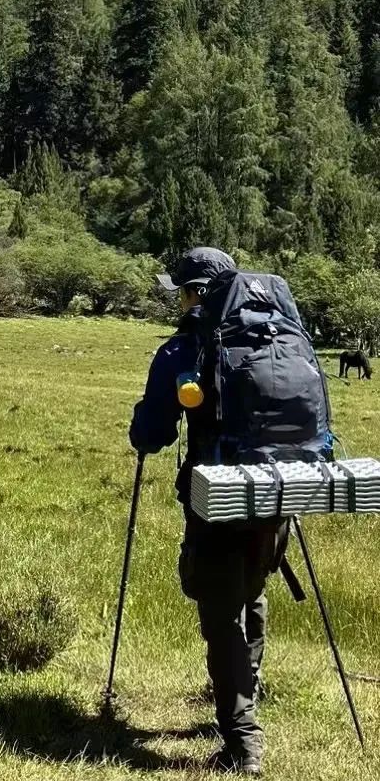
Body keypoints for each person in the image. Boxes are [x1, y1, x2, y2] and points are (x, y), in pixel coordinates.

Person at [130, 247, 295, 776]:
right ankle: (245, 693)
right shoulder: (280, 338)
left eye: (181, 291)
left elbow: (152, 433)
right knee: (253, 592)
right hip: (279, 495)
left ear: (197, 294)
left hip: (219, 497)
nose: (177, 300)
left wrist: (146, 427)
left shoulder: (184, 351)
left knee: (220, 610)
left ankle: (243, 741)